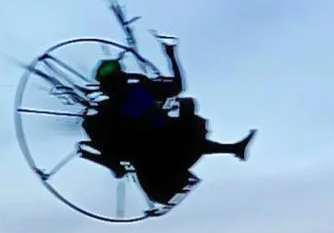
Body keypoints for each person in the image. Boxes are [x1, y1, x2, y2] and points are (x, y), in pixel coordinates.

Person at [78, 39, 253, 208]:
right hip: (148, 147)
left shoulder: (138, 89)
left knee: (188, 134)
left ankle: (234, 148)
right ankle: (233, 149)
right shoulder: (115, 104)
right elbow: (176, 87)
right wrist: (171, 55)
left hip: (162, 138)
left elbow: (176, 87)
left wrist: (171, 56)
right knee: (187, 142)